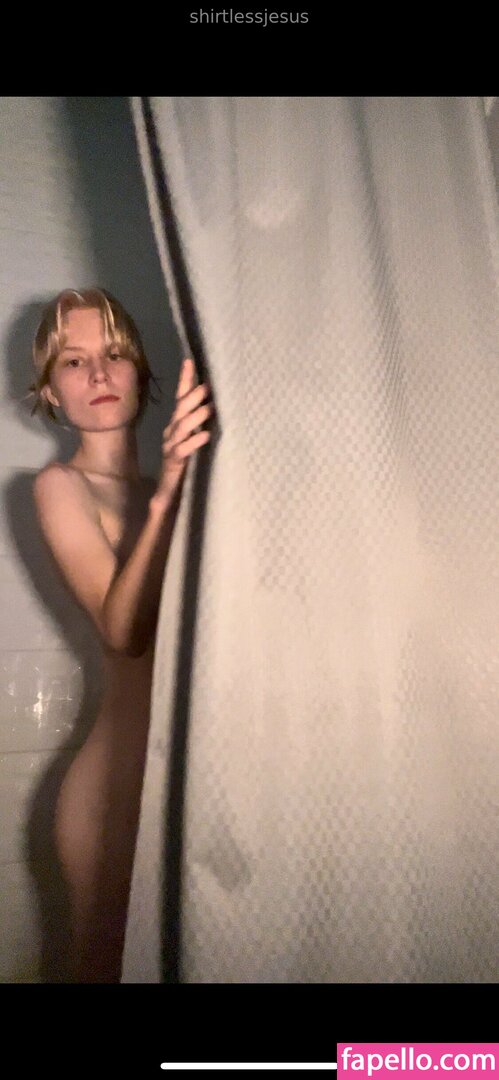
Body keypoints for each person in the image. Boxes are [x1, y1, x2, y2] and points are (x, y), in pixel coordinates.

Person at [29, 287, 215, 982]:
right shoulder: (60, 485)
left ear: (141, 371)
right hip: (116, 786)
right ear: (51, 392)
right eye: (74, 361)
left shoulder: (188, 485)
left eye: (114, 353)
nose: (99, 373)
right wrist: (169, 492)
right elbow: (123, 632)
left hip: (191, 775)